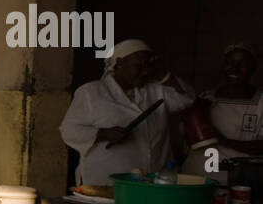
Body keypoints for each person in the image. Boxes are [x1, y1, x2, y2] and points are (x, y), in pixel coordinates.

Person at [60, 38, 195, 185]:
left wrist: (163, 74)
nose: (145, 72)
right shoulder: (92, 92)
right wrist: (104, 134)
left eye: (148, 66)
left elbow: (187, 99)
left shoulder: (156, 89)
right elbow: (69, 130)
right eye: (139, 66)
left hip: (153, 179)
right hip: (105, 179)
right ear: (119, 63)